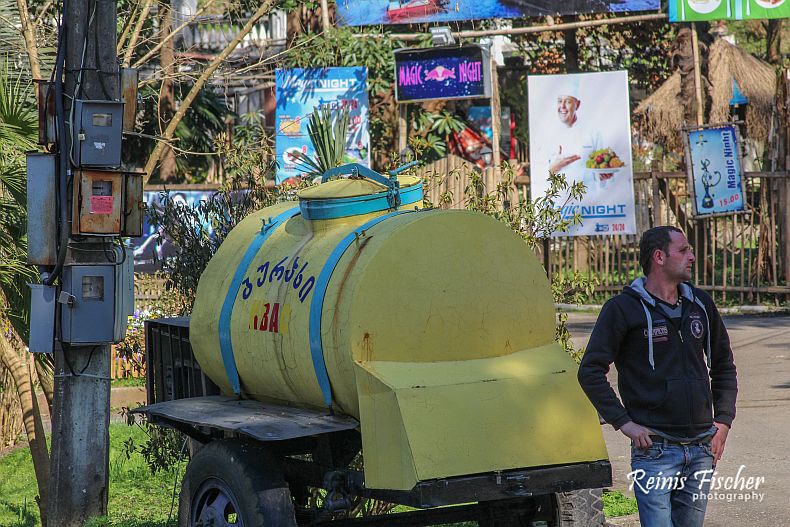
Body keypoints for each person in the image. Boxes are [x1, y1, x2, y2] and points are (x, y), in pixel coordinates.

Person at [578, 226, 738, 527]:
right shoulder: (622, 309)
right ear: (659, 256)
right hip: (654, 450)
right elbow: (590, 370)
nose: (692, 256)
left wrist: (724, 422)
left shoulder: (701, 305)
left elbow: (724, 365)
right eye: (684, 250)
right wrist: (623, 423)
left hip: (702, 446)